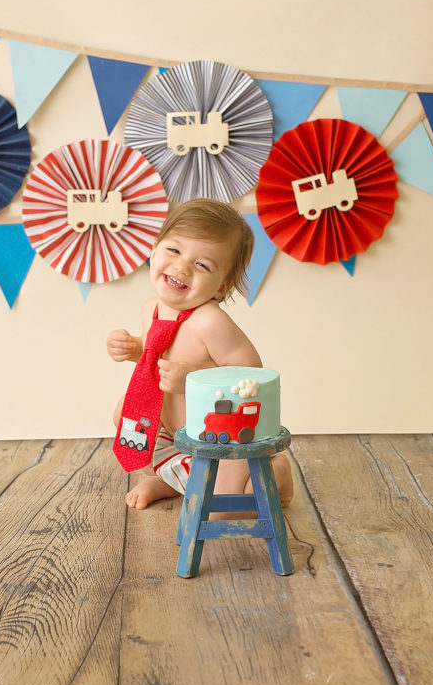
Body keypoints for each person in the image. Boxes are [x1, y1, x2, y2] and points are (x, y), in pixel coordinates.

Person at [106, 198, 293, 511]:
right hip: (172, 433)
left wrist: (191, 378)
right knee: (126, 422)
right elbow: (154, 351)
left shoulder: (209, 321)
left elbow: (251, 373)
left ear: (222, 287)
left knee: (223, 510)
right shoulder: (150, 309)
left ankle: (276, 473)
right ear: (154, 249)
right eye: (174, 250)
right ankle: (171, 480)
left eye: (202, 265)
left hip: (215, 440)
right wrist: (134, 348)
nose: (182, 267)